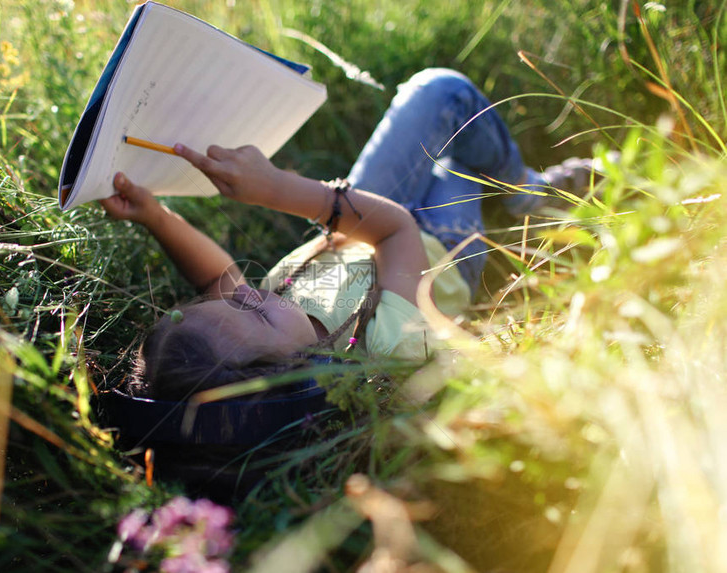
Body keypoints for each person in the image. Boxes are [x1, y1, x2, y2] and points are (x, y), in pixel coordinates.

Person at [101, 68, 593, 401]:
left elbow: (215, 278)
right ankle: (528, 198)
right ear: (290, 374)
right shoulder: (376, 347)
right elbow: (398, 227)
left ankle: (523, 190)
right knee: (459, 157)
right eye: (253, 309)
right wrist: (277, 189)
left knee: (440, 92)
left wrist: (155, 216)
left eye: (231, 299)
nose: (247, 291)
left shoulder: (264, 321)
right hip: (439, 245)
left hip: (356, 225)